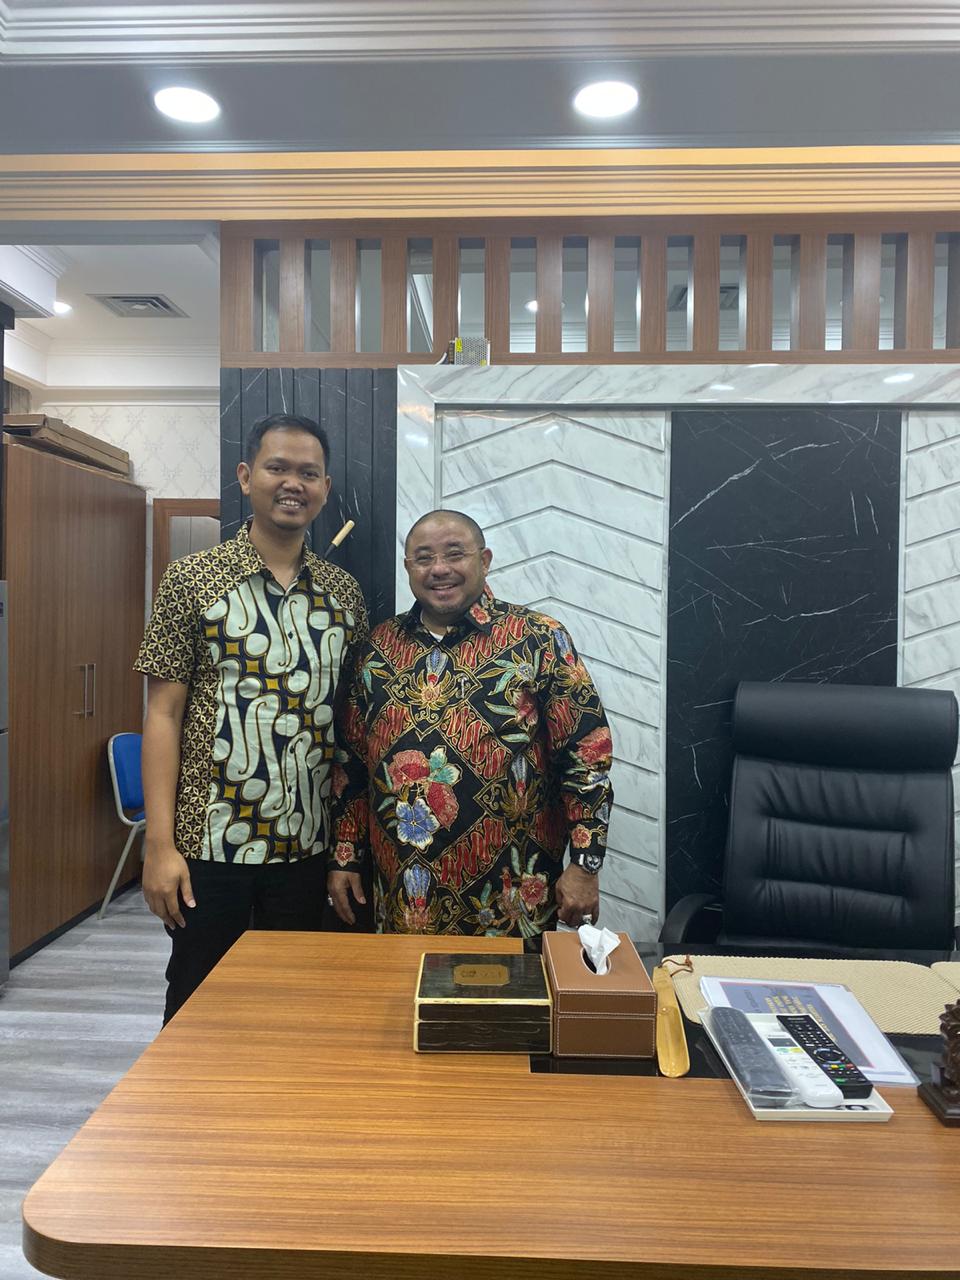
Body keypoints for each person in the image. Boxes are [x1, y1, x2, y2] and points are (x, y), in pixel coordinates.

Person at [135, 412, 368, 1022]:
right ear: (246, 476)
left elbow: (350, 731)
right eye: (277, 468)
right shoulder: (192, 580)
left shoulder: (344, 595)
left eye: (309, 473)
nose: (293, 483)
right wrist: (159, 846)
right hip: (209, 845)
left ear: (325, 487)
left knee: (292, 1010)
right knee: (197, 1009)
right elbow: (162, 714)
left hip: (306, 847)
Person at [328, 509, 612, 942]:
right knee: (405, 988)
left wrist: (585, 865)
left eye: (454, 553)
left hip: (511, 904)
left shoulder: (538, 639)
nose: (439, 568)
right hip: (403, 900)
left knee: (511, 989)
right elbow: (350, 764)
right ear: (408, 567)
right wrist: (345, 856)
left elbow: (587, 757)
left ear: (485, 560)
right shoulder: (377, 648)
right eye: (424, 557)